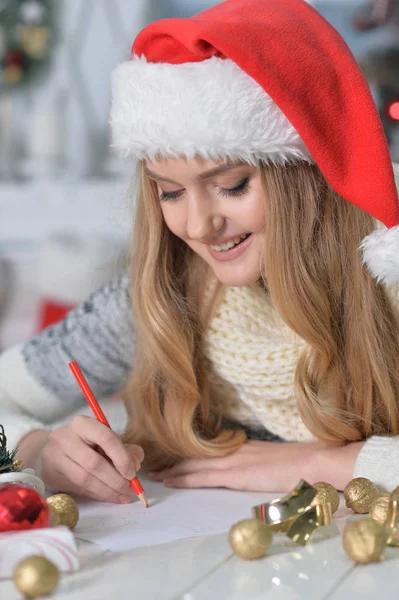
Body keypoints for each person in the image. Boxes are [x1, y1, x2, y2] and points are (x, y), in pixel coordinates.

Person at [1, 0, 399, 505]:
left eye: (232, 186)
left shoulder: (388, 262)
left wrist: (326, 463)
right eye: (170, 192)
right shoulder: (161, 293)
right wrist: (35, 450)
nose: (198, 225)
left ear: (304, 177)